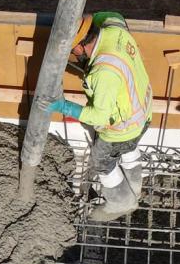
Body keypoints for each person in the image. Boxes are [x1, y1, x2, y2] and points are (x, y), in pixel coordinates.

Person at [48, 11, 153, 221]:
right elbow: (114, 15)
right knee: (129, 147)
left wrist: (64, 107)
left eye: (72, 50)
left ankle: (121, 203)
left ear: (79, 45)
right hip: (142, 112)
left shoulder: (103, 72)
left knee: (101, 162)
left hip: (121, 128)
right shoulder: (114, 30)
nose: (74, 54)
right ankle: (134, 187)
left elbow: (98, 118)